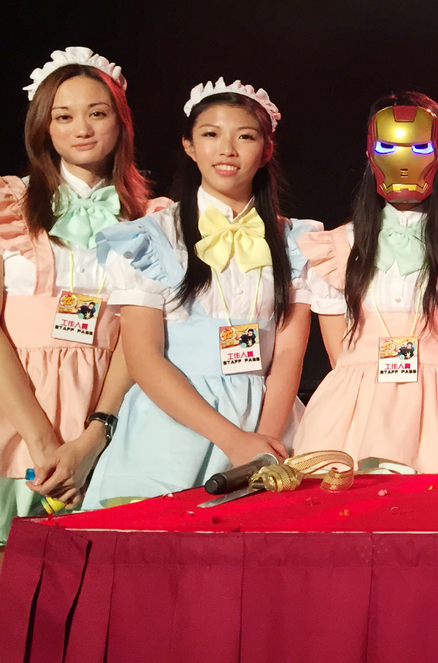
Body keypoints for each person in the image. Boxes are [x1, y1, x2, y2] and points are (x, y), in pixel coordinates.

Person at [82, 79, 316, 508]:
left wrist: (262, 444)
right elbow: (144, 357)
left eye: (245, 137)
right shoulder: (153, 237)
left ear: (266, 150)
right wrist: (232, 439)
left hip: (269, 423)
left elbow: (288, 353)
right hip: (171, 427)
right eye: (211, 134)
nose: (227, 150)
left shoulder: (296, 242)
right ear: (189, 146)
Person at [0, 48, 157, 551]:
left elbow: (144, 336)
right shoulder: (7, 204)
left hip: (114, 415)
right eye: (63, 116)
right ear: (43, 127)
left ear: (121, 122)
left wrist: (93, 438)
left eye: (97, 113)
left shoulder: (155, 218)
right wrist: (43, 442)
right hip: (15, 412)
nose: (82, 129)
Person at [292, 92, 438, 472]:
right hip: (353, 413)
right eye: (387, 146)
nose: (404, 160)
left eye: (419, 147)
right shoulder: (338, 246)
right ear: (370, 153)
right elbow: (339, 353)